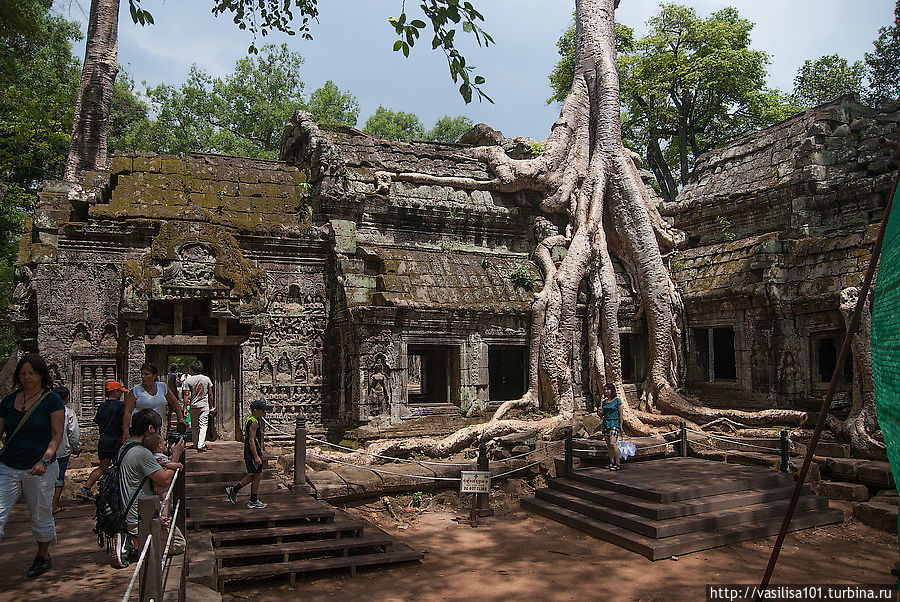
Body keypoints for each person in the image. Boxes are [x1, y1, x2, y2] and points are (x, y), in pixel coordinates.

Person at [0, 354, 65, 578]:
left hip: (39, 467)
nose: (27, 377)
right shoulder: (9, 401)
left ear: (40, 375)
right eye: (23, 373)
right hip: (8, 465)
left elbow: (57, 434)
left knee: (40, 513)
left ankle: (42, 555)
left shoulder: (51, 400)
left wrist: (45, 459)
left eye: (31, 373)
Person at [116, 409, 184, 567]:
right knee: (179, 543)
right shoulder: (142, 454)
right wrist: (175, 456)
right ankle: (134, 545)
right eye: (159, 430)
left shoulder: (125, 447)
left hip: (128, 512)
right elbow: (166, 480)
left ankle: (133, 540)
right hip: (140, 518)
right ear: (151, 429)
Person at [78, 381, 127, 501]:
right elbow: (123, 424)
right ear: (115, 392)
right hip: (116, 440)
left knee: (102, 467)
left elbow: (98, 421)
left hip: (103, 440)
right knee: (120, 466)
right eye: (120, 391)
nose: (121, 394)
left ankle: (86, 487)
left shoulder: (102, 406)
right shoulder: (121, 406)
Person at [121, 363, 186, 439]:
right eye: (142, 374)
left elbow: (174, 402)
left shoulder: (162, 387)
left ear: (154, 376)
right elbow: (127, 412)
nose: (143, 376)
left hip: (155, 429)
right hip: (138, 430)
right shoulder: (135, 391)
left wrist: (180, 418)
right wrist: (126, 433)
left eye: (147, 374)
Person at [225, 400, 270, 509]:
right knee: (257, 475)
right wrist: (256, 456)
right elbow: (251, 440)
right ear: (256, 411)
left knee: (254, 475)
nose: (264, 412)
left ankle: (234, 489)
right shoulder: (253, 422)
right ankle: (253, 500)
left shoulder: (252, 419)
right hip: (251, 452)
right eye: (262, 410)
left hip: (253, 450)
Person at [140, 432, 182, 523]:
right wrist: (178, 464)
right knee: (166, 496)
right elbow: (167, 464)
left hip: (156, 482)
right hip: (159, 484)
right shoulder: (158, 457)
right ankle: (164, 516)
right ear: (159, 446)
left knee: (164, 497)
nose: (166, 444)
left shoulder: (152, 456)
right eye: (164, 444)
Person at [51, 386, 80, 514]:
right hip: (61, 450)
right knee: (59, 478)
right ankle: (53, 504)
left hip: (45, 451)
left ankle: (45, 504)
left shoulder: (45, 411)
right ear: (67, 399)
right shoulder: (68, 413)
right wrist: (76, 447)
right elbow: (74, 432)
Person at [183, 360, 215, 452]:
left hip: (193, 405)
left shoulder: (188, 380)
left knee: (194, 425)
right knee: (203, 425)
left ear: (192, 369)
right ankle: (201, 444)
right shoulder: (206, 379)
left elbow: (186, 395)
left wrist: (185, 407)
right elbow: (210, 394)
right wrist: (211, 406)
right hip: (204, 405)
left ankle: (196, 443)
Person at [600, 383, 623, 471]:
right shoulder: (604, 402)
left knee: (613, 443)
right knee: (608, 444)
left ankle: (618, 463)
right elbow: (602, 414)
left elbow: (621, 414)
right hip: (606, 423)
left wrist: (620, 426)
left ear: (612, 390)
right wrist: (600, 412)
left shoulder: (617, 400)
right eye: (605, 389)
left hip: (614, 422)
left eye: (608, 389)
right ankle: (611, 461)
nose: (606, 391)